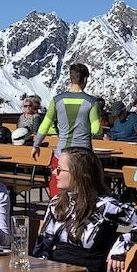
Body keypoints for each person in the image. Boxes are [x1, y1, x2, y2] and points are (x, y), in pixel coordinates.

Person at [32, 63, 103, 197]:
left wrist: (36, 144)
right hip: (83, 155)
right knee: (84, 194)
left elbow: (45, 125)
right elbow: (96, 130)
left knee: (57, 195)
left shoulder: (57, 100)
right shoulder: (92, 102)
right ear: (85, 80)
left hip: (61, 155)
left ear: (70, 79)